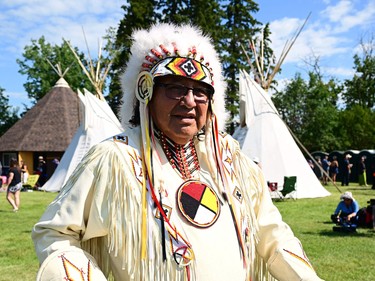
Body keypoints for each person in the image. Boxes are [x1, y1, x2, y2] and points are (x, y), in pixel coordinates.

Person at [32, 24, 324, 281]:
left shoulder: (234, 165)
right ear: (146, 92)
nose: (188, 101)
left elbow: (272, 236)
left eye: (200, 92)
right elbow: (56, 234)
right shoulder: (115, 159)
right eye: (174, 88)